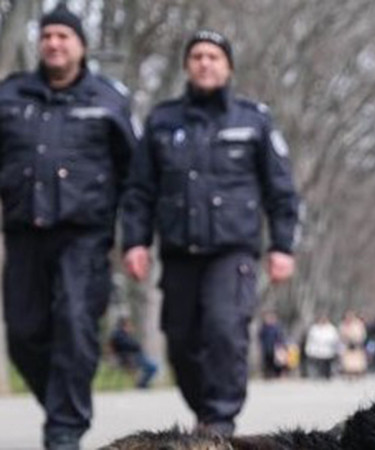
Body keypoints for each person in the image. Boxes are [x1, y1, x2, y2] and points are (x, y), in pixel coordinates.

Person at [121, 29, 300, 436]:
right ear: (187, 65)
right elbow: (139, 190)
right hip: (179, 250)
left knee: (224, 330)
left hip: (231, 251)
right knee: (180, 341)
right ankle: (204, 410)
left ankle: (219, 422)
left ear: (228, 67)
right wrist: (134, 240)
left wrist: (282, 246)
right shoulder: (162, 120)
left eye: (213, 57)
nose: (205, 62)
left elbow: (282, 190)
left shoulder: (253, 120)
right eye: (197, 56)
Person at [0, 4, 137, 449]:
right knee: (22, 334)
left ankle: (64, 429)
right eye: (47, 36)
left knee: (76, 323)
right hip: (23, 231)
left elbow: (135, 174)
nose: (54, 43)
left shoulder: (109, 99)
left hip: (85, 235)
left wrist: (134, 237)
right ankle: (63, 403)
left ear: (81, 45)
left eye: (64, 36)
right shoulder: (10, 94)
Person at [109, 316, 159, 388]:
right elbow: (133, 345)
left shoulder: (122, 335)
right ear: (124, 325)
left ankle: (142, 384)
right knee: (153, 367)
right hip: (130, 358)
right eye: (128, 325)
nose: (130, 327)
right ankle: (141, 384)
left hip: (133, 356)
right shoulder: (119, 335)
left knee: (152, 366)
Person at [303, 315, 340, 380]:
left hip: (328, 351)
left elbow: (335, 339)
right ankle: (317, 376)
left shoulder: (331, 329)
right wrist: (309, 350)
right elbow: (310, 340)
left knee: (327, 365)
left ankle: (327, 377)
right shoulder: (314, 329)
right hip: (316, 351)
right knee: (317, 365)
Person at [257, 311, 288, 379]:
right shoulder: (264, 328)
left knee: (277, 362)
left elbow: (280, 337)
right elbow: (260, 336)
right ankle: (267, 374)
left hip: (276, 347)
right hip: (267, 347)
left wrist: (281, 345)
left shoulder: (277, 327)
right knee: (267, 361)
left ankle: (277, 374)